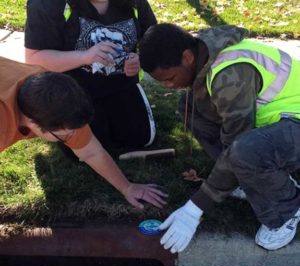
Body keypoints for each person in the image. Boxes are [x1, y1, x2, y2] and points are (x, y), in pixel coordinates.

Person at [139, 23, 300, 252]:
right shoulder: (205, 54)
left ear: (187, 57)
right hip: (281, 120)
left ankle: (286, 210)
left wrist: (195, 208)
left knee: (245, 151)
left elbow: (238, 144)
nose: (169, 86)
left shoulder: (229, 74)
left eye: (170, 78)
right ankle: (244, 178)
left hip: (295, 120)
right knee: (190, 108)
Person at [0, 56, 167, 209]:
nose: (74, 136)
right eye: (65, 135)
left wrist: (127, 187)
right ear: (33, 123)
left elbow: (91, 152)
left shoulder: (56, 99)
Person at [24, 0, 156, 157]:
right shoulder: (47, 4)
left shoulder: (134, 2)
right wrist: (84, 57)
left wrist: (139, 59)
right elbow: (33, 59)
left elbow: (153, 42)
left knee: (142, 137)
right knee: (82, 150)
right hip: (72, 92)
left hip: (121, 85)